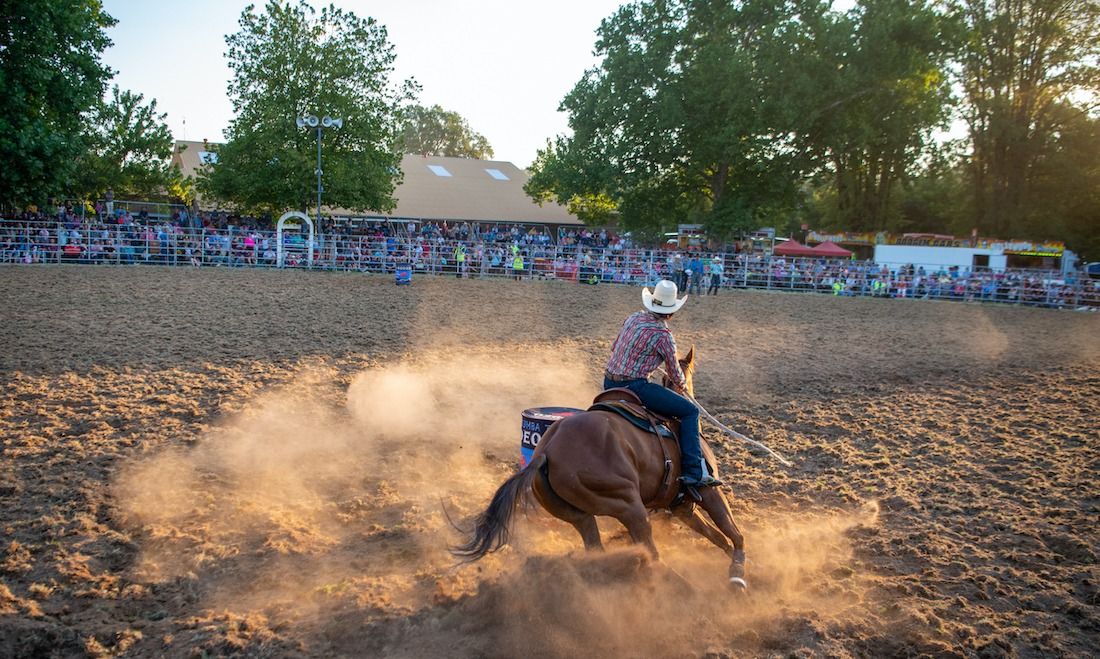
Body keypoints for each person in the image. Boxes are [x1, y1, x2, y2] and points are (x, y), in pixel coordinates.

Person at [603, 280, 718, 487]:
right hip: (635, 387)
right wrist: (682, 384)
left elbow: (615, 347)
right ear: (672, 311)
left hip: (609, 383)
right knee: (690, 412)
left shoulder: (633, 318)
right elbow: (675, 373)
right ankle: (693, 471)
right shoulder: (664, 336)